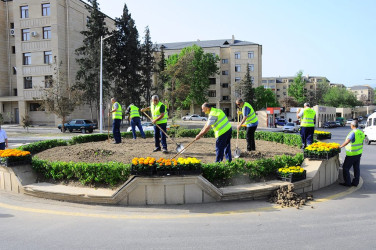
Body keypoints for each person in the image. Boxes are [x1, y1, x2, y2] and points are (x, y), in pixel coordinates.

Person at [339, 120, 365, 187]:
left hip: (351, 154)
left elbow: (348, 141)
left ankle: (348, 183)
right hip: (358, 153)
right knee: (356, 168)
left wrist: (340, 146)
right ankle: (355, 183)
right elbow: (361, 142)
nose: (350, 125)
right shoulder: (361, 132)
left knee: (345, 168)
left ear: (352, 125)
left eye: (350, 124)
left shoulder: (353, 132)